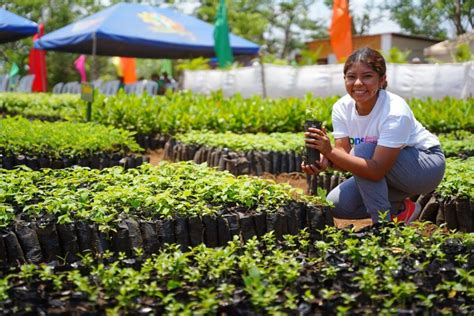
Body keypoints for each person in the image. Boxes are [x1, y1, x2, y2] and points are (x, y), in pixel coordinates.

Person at [302, 47, 445, 224]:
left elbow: (376, 171)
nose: (358, 83)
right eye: (351, 77)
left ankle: (382, 226)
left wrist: (330, 151)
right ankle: (402, 210)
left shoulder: (394, 111)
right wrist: (324, 161)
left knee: (364, 150)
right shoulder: (342, 108)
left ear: (382, 80)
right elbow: (344, 158)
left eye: (367, 76)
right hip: (388, 169)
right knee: (338, 204)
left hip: (423, 167)